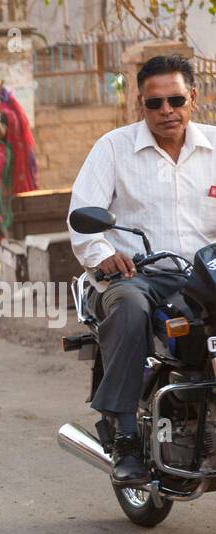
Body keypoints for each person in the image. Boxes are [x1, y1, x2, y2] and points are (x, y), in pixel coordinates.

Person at [69, 54, 216, 485]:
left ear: (194, 96)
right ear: (140, 104)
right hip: (137, 274)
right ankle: (126, 435)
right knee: (128, 306)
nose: (166, 110)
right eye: (155, 103)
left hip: (204, 274)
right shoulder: (113, 148)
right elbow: (81, 216)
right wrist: (103, 255)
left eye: (175, 99)